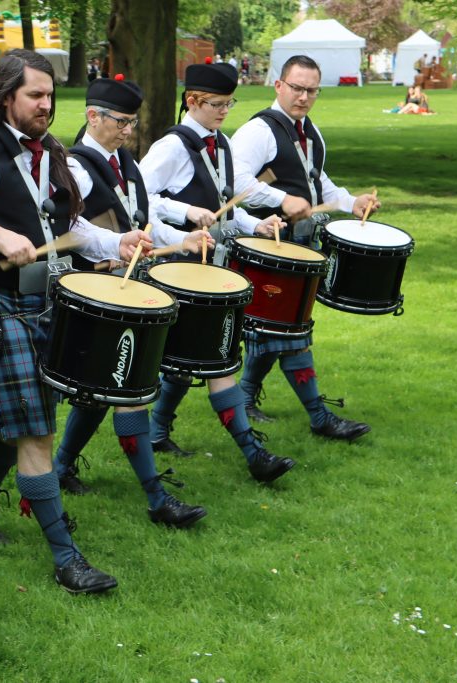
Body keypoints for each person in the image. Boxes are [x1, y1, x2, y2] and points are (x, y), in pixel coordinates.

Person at [0, 48, 151, 594]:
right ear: (5, 95)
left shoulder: (54, 153)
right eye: (35, 95)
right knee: (37, 428)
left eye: (50, 95)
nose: (46, 105)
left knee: (18, 417)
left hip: (47, 301)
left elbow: (73, 227)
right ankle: (67, 558)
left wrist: (118, 240)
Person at [50, 74, 208, 528]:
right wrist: (118, 244)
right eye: (120, 121)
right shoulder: (75, 167)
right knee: (128, 390)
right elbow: (73, 233)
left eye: (133, 122)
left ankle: (60, 467)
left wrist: (183, 238)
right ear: (92, 116)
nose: (128, 130)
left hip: (129, 287)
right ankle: (157, 499)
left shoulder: (125, 162)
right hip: (95, 292)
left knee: (100, 392)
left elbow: (144, 219)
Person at [138, 61, 295, 485]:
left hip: (212, 267)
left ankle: (154, 432)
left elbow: (229, 203)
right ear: (192, 101)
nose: (225, 110)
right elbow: (139, 199)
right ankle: (253, 453)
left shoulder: (221, 145)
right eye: (217, 104)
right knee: (213, 358)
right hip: (175, 266)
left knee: (193, 357)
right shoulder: (171, 147)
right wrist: (184, 217)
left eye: (230, 103)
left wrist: (255, 225)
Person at [230, 54, 378, 442]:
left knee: (276, 326)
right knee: (290, 329)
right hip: (268, 243)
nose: (304, 97)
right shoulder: (258, 130)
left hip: (300, 246)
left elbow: (317, 182)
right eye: (297, 88)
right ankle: (318, 416)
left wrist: (351, 201)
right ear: (278, 85)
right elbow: (235, 180)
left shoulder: (309, 132)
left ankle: (244, 397)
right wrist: (280, 199)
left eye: (312, 90)